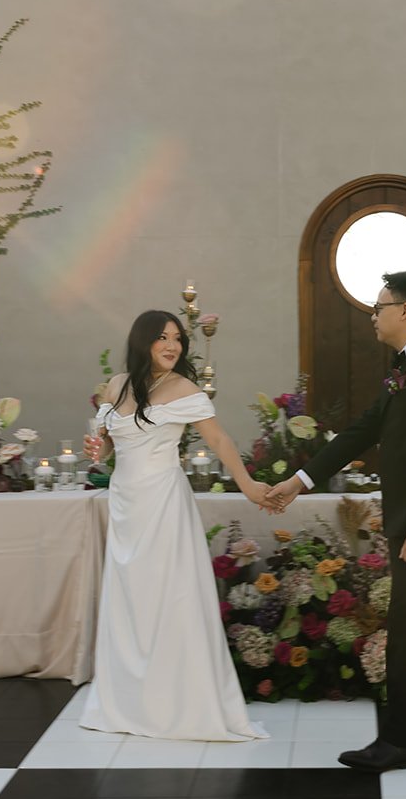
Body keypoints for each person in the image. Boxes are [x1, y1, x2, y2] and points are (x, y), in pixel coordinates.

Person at [268, 271, 406, 772]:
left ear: (405, 310)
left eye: (379, 307)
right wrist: (300, 479)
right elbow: (363, 430)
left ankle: (401, 740)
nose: (373, 316)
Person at [80, 309, 274, 742]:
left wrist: (246, 483)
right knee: (131, 600)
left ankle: (179, 702)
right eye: (163, 337)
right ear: (143, 340)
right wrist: (97, 447)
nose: (172, 346)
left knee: (169, 597)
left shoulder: (184, 388)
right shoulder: (116, 385)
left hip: (163, 503)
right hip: (126, 504)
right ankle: (130, 701)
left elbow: (219, 439)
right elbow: (107, 443)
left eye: (178, 339)